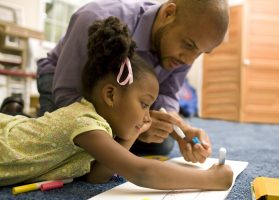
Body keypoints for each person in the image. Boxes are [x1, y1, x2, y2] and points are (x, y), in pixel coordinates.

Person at [0, 17, 233, 190]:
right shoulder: (83, 121)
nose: (148, 116)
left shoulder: (95, 128)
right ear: (111, 95)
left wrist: (134, 132)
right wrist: (209, 179)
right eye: (144, 105)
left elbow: (97, 176)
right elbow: (141, 171)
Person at [37, 0, 229, 159]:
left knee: (162, 144)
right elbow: (67, 94)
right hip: (64, 80)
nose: (189, 60)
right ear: (168, 13)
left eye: (200, 53)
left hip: (123, 100)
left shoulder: (185, 52)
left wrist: (181, 129)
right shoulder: (95, 17)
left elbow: (167, 94)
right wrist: (133, 125)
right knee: (62, 150)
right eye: (188, 45)